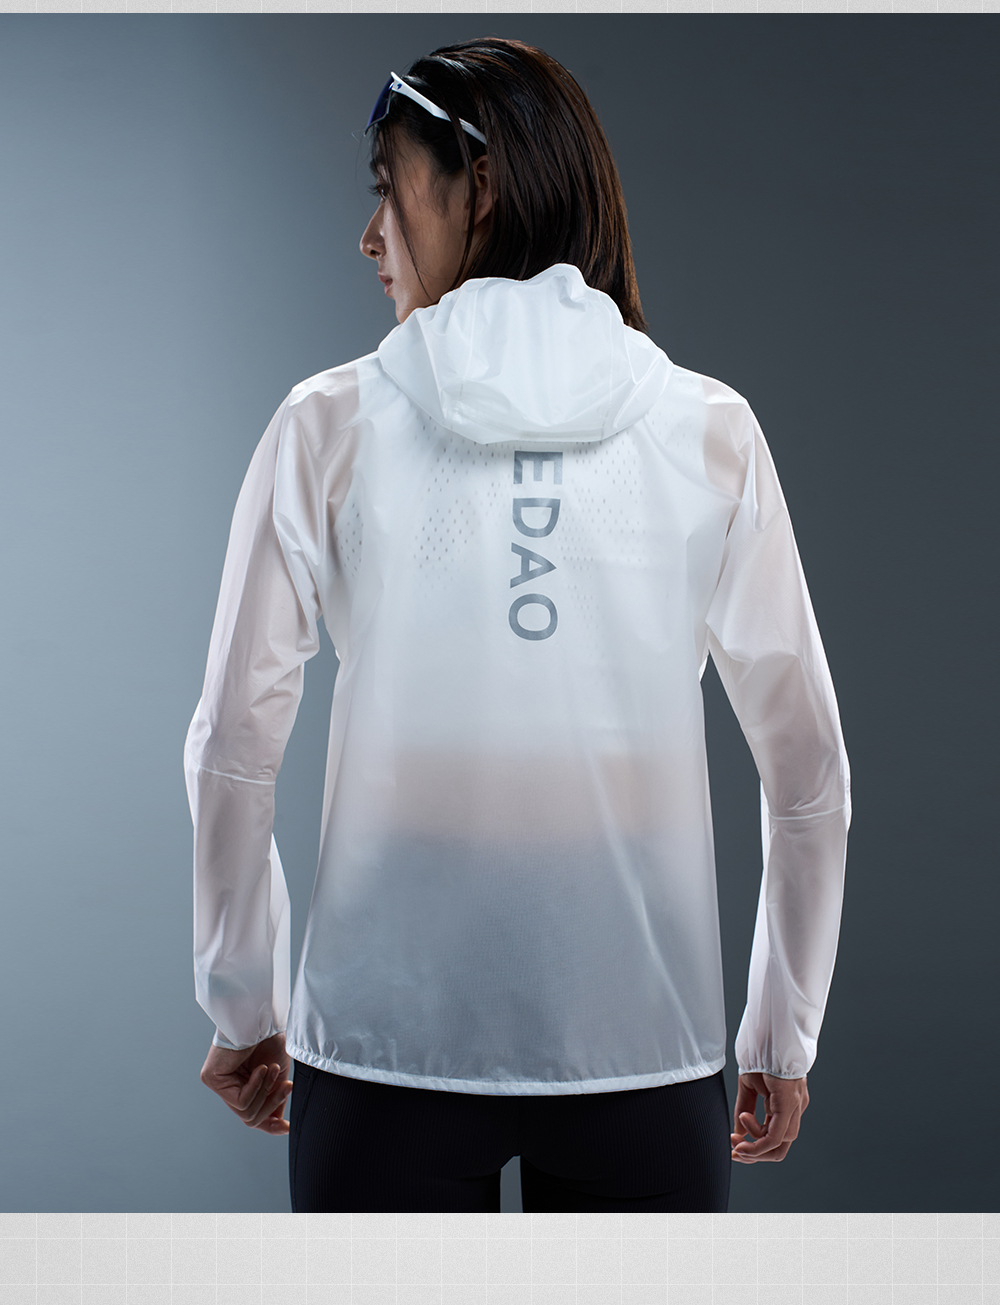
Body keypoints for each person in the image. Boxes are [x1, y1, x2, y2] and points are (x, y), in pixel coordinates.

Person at [185, 38, 850, 1213]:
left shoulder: (328, 424)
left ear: (477, 186)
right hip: (642, 1046)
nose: (369, 235)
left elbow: (235, 749)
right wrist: (779, 1031)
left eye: (389, 186)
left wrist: (244, 1004)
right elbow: (808, 776)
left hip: (383, 1049)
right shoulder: (708, 430)